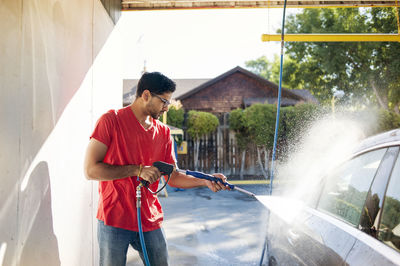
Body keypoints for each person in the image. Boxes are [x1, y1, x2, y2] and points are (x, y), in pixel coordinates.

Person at [84, 72, 229, 266]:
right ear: (145, 95)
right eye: (163, 101)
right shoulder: (111, 121)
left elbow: (174, 177)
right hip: (114, 218)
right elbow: (91, 170)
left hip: (149, 219)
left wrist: (205, 180)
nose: (167, 107)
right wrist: (136, 170)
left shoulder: (163, 132)